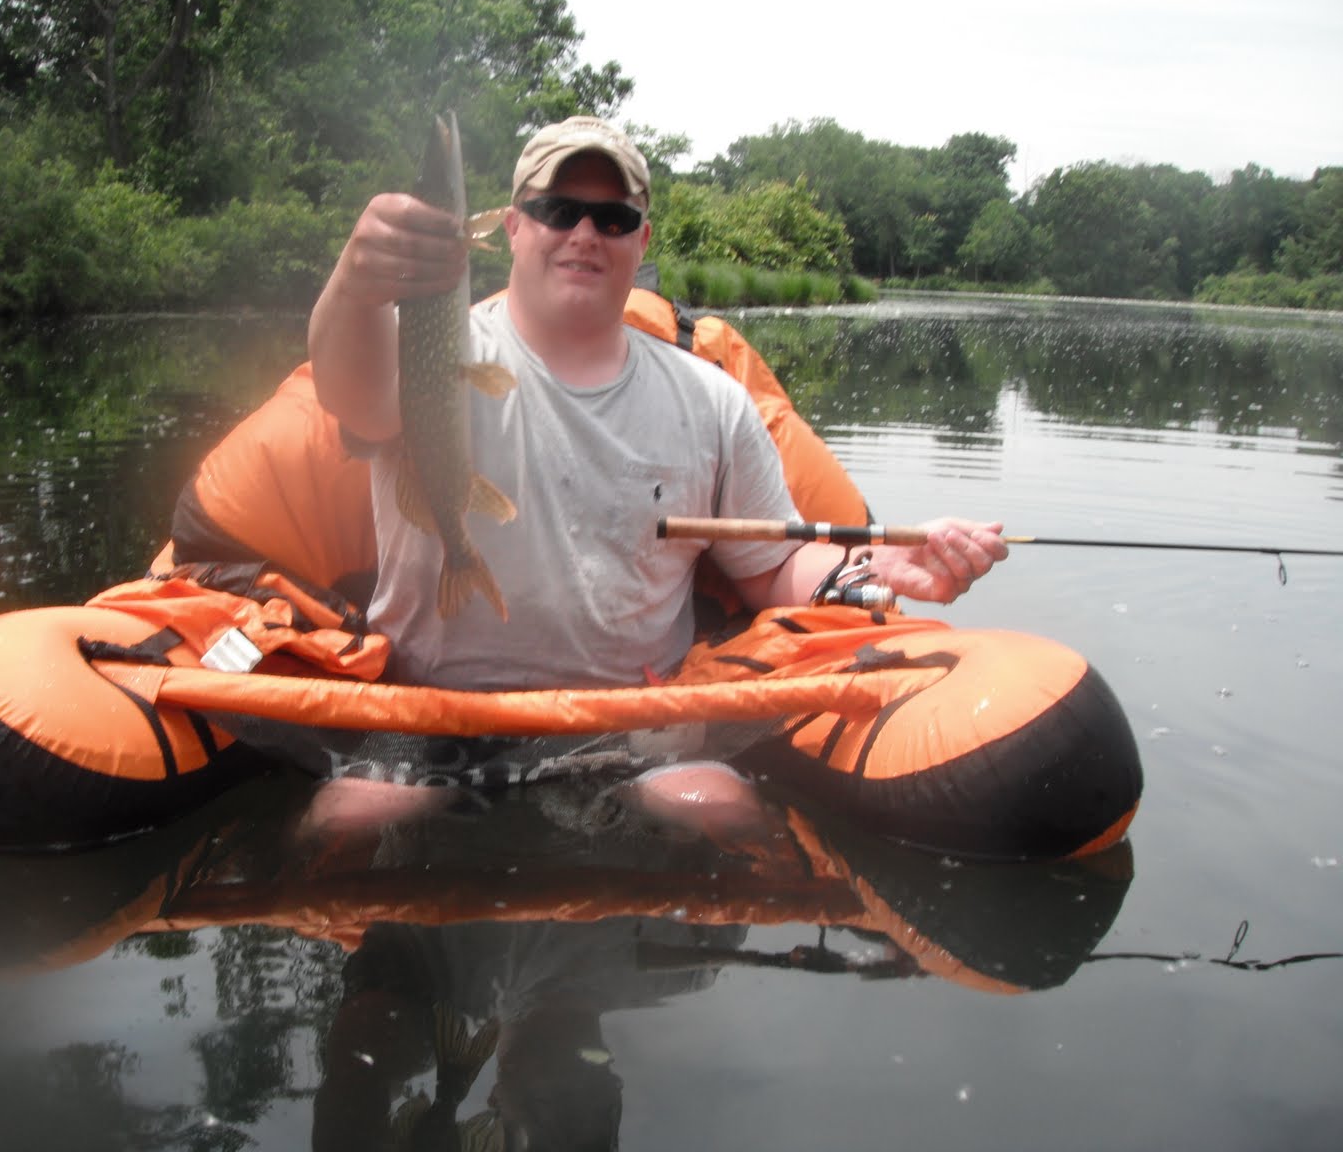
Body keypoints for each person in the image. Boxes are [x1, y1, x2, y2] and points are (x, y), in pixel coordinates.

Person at [302, 115, 1006, 833]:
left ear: (641, 240)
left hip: (633, 720)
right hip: (431, 712)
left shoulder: (714, 402)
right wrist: (356, 286)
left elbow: (771, 568)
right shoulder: (430, 353)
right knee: (349, 819)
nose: (584, 233)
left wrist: (874, 567)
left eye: (612, 218)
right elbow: (347, 389)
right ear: (511, 227)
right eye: (557, 211)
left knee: (720, 812)